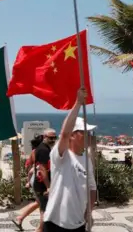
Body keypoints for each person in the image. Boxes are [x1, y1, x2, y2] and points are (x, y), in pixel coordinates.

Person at [43, 89, 95, 232]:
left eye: (89, 132)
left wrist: (89, 212)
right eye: (84, 132)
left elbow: (92, 188)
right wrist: (78, 103)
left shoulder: (86, 160)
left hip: (78, 224)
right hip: (56, 223)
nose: (88, 135)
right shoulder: (61, 155)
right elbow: (64, 134)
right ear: (73, 135)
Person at [12, 134, 43, 230]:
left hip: (36, 179)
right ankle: (40, 229)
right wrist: (29, 180)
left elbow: (28, 167)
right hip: (40, 180)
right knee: (44, 205)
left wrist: (29, 180)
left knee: (39, 203)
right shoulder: (41, 152)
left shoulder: (35, 152)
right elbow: (30, 169)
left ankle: (20, 218)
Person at [31, 128, 57, 232]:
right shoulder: (43, 150)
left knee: (44, 208)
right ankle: (40, 229)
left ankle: (41, 229)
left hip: (41, 184)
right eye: (51, 138)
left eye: (55, 138)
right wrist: (48, 186)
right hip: (42, 185)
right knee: (44, 210)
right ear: (45, 137)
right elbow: (42, 169)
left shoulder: (45, 148)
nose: (53, 140)